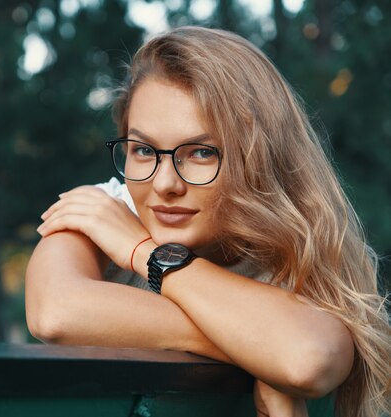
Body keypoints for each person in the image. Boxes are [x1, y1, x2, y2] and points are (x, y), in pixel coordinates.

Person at [25, 26, 391, 417]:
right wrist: (257, 347)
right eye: (144, 150)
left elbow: (307, 358)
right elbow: (55, 313)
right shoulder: (105, 211)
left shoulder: (294, 252)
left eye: (201, 152)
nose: (164, 184)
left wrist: (147, 253)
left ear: (258, 157)